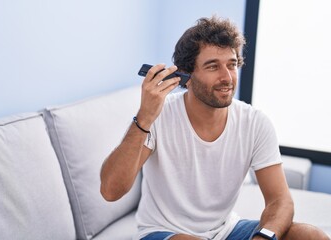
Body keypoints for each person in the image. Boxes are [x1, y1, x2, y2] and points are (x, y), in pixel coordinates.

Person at [100, 16, 330, 240]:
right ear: (185, 76)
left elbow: (280, 201)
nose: (227, 77)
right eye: (213, 66)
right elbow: (111, 191)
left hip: (227, 230)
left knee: (311, 236)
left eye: (232, 65)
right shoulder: (159, 115)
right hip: (163, 231)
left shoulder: (254, 122)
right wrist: (145, 116)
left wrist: (264, 237)